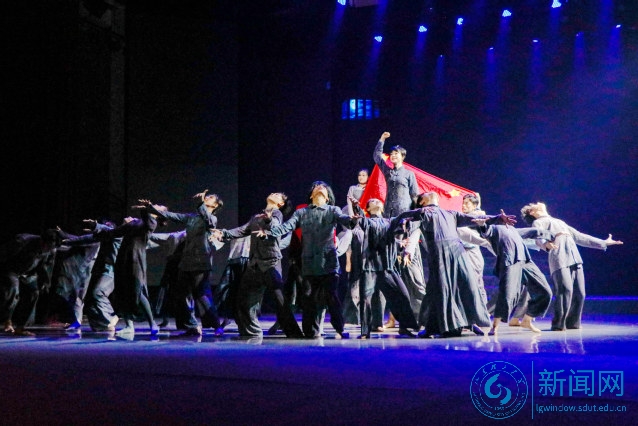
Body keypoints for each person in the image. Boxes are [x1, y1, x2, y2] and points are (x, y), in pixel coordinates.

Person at [398, 192, 516, 338]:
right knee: (440, 289)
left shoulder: (451, 214)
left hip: (457, 253)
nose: (431, 193)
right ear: (422, 201)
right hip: (439, 256)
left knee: (466, 285)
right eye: (426, 194)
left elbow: (474, 219)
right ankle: (435, 326)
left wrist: (497, 218)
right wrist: (407, 247)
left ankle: (469, 321)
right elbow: (407, 224)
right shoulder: (421, 213)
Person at [258, 181, 356, 339]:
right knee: (309, 299)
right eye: (317, 187)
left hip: (328, 263)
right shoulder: (301, 212)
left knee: (331, 297)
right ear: (311, 196)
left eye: (323, 188)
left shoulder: (333, 210)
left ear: (328, 198)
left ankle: (340, 328)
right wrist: (269, 230)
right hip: (309, 265)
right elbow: (286, 227)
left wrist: (354, 217)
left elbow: (347, 221)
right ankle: (311, 331)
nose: (320, 188)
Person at [520, 202, 623, 331]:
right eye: (534, 204)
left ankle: (573, 323)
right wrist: (545, 244)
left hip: (574, 256)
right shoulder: (538, 222)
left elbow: (579, 236)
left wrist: (603, 242)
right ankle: (558, 324)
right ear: (532, 212)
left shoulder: (559, 222)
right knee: (565, 291)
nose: (538, 203)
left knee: (580, 293)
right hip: (559, 256)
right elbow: (538, 236)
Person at [212, 193, 303, 338]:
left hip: (270, 262)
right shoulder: (256, 217)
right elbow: (242, 230)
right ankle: (251, 331)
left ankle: (294, 334)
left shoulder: (277, 214)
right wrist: (223, 234)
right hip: (254, 264)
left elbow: (276, 226)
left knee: (280, 300)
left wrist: (268, 220)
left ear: (280, 204)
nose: (273, 194)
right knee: (243, 299)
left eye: (278, 195)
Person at [141, 190, 224, 337]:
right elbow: (170, 215)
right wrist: (151, 208)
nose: (207, 198)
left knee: (201, 294)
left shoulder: (212, 218)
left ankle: (217, 325)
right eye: (207, 197)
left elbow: (208, 221)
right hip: (186, 262)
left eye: (211, 197)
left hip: (200, 261)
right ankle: (191, 326)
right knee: (181, 295)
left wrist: (200, 204)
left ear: (216, 205)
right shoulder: (191, 217)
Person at [373, 131, 425, 327]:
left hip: (405, 218)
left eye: (396, 153)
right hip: (389, 217)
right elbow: (377, 157)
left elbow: (415, 196)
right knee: (390, 268)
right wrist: (381, 140)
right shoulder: (388, 171)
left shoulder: (408, 174)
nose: (393, 155)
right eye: (392, 153)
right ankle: (393, 318)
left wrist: (415, 218)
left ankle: (418, 315)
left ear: (403, 156)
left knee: (408, 271)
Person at [471, 218, 556, 335]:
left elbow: (534, 231)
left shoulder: (513, 230)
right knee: (507, 295)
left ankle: (527, 320)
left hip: (526, 261)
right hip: (510, 262)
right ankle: (494, 326)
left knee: (545, 292)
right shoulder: (495, 229)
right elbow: (486, 231)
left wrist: (552, 236)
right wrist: (482, 225)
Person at [350, 197, 419, 338]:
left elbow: (401, 219)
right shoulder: (368, 221)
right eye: (372, 201)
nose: (376, 201)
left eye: (377, 201)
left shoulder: (390, 221)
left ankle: (405, 327)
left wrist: (416, 213)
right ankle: (365, 332)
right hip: (370, 267)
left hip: (387, 267)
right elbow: (362, 222)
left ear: (382, 207)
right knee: (366, 299)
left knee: (403, 295)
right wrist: (357, 207)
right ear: (368, 209)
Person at [94, 206, 163, 335]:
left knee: (137, 292)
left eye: (157, 208)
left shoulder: (151, 223)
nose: (154, 207)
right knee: (123, 292)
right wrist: (95, 228)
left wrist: (145, 209)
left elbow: (147, 220)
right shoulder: (134, 223)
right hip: (123, 258)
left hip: (136, 259)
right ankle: (129, 325)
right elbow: (114, 232)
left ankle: (152, 324)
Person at [62, 219, 122, 332]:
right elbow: (82, 239)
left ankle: (111, 316)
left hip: (111, 270)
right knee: (88, 297)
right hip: (97, 269)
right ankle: (100, 324)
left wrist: (96, 226)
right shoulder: (99, 237)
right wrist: (65, 239)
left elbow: (106, 230)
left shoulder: (116, 236)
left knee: (98, 293)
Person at [0, 230, 58, 336]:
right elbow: (3, 254)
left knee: (34, 293)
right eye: (46, 245)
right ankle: (7, 321)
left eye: (50, 247)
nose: (47, 248)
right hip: (12, 270)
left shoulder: (52, 249)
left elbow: (47, 266)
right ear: (42, 240)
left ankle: (21, 327)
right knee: (13, 290)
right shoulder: (22, 241)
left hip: (29, 273)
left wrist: (45, 282)